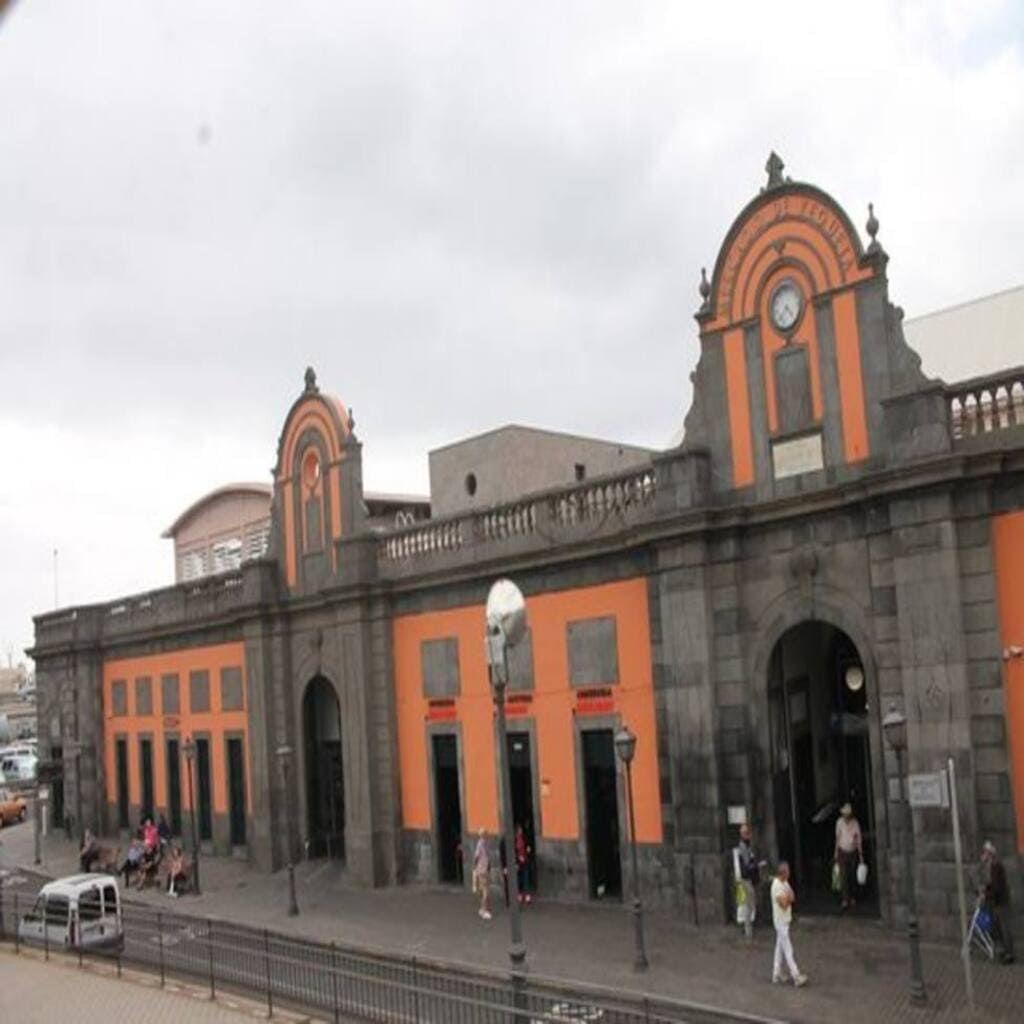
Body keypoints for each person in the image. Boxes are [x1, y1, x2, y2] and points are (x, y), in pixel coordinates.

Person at [771, 862, 808, 987]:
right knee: (788, 949)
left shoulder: (784, 883)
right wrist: (788, 898)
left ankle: (776, 973)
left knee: (779, 948)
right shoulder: (777, 886)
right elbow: (784, 904)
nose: (789, 874)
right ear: (783, 873)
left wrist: (788, 898)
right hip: (780, 921)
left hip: (785, 920)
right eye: (787, 872)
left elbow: (792, 897)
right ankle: (796, 975)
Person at [980, 840, 1015, 964]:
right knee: (998, 927)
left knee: (1004, 927)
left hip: (1001, 901)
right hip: (997, 901)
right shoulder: (990, 866)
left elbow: (997, 886)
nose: (983, 856)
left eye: (984, 853)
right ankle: (1004, 951)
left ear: (989, 854)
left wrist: (987, 894)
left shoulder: (995, 866)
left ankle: (1009, 954)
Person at [733, 823, 764, 938]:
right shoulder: (743, 847)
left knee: (748, 904)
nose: (747, 835)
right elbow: (747, 865)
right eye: (745, 833)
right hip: (745, 879)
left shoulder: (747, 845)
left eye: (747, 833)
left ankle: (748, 928)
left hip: (748, 879)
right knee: (748, 904)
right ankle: (748, 930)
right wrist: (757, 865)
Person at [833, 803, 863, 910]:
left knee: (852, 875)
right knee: (843, 875)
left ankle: (853, 897)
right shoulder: (839, 822)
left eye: (848, 814)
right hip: (842, 851)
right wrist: (835, 853)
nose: (846, 816)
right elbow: (837, 838)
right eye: (845, 814)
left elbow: (858, 839)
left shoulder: (855, 823)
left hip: (852, 851)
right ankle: (845, 899)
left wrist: (860, 855)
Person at [472, 828, 492, 921]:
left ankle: (482, 908)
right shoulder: (481, 844)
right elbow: (476, 856)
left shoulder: (483, 843)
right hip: (482, 869)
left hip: (483, 868)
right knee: (485, 891)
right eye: (486, 834)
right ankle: (484, 910)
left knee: (483, 889)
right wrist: (476, 866)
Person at [515, 824, 532, 904]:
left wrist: (528, 850)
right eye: (519, 830)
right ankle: (520, 895)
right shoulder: (515, 839)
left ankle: (527, 895)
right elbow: (514, 851)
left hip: (525, 860)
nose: (520, 831)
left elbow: (528, 846)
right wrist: (518, 858)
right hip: (518, 862)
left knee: (526, 878)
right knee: (519, 879)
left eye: (521, 830)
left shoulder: (524, 838)